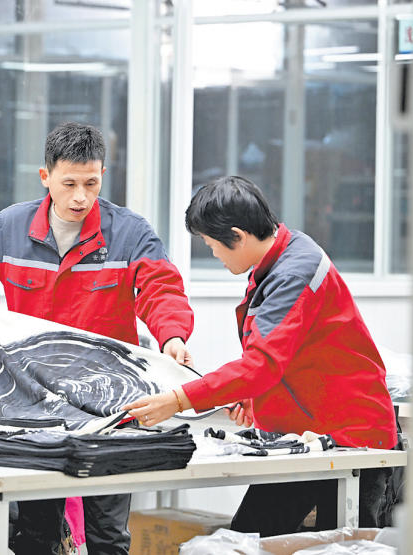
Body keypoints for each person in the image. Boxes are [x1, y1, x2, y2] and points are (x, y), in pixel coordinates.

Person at [0, 121, 195, 554]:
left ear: (102, 176)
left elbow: (162, 291)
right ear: (46, 176)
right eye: (69, 183)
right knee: (35, 533)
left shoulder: (129, 232)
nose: (80, 197)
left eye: (91, 184)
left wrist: (172, 337)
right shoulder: (11, 227)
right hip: (32, 404)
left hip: (111, 409)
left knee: (108, 535)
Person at [123, 176, 400, 536]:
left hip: (352, 436)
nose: (214, 255)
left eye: (212, 246)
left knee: (341, 544)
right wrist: (255, 394)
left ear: (237, 236)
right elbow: (286, 355)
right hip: (304, 434)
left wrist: (179, 399)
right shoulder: (279, 260)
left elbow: (262, 364)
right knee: (249, 538)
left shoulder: (295, 272)